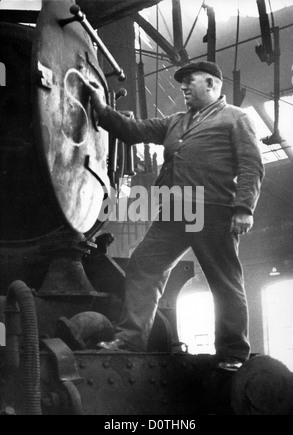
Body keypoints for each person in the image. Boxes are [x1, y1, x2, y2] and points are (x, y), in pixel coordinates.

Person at [85, 61, 264, 371]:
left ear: (210, 84)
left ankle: (234, 353)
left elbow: (251, 166)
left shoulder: (236, 119)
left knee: (224, 280)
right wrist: (101, 108)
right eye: (181, 83)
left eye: (189, 81)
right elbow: (133, 130)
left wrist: (244, 208)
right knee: (144, 263)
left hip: (213, 210)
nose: (183, 87)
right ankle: (130, 340)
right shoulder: (176, 122)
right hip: (174, 211)